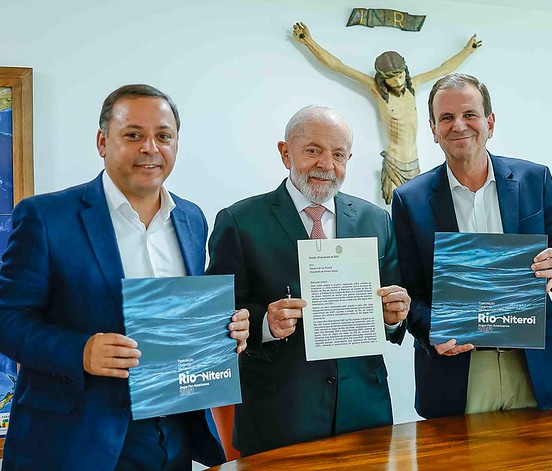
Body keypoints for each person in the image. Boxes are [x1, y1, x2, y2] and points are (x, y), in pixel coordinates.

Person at [0, 84, 250, 469]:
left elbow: (182, 318)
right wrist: (80, 351)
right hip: (77, 440)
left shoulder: (192, 218)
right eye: (133, 135)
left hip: (175, 435)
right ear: (103, 142)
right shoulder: (47, 217)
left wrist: (225, 331)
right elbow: (8, 320)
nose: (150, 147)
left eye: (163, 136)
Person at [206, 105, 410, 455]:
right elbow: (217, 316)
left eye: (338, 154)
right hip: (279, 414)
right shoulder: (240, 221)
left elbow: (392, 307)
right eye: (313, 150)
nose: (326, 165)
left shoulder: (376, 220)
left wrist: (393, 319)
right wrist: (265, 323)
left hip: (364, 412)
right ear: (285, 153)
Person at [391, 73, 552, 418]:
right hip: (458, 372)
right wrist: (434, 333)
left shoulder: (535, 180)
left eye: (470, 114)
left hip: (531, 367)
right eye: (446, 118)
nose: (459, 125)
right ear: (433, 129)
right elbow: (407, 291)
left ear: (489, 121)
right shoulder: (408, 200)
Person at [292, 22, 481, 203]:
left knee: (417, 207)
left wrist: (468, 50)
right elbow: (339, 66)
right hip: (393, 161)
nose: (398, 82)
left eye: (400, 76)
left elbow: (444, 69)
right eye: (392, 79)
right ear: (382, 80)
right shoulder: (379, 92)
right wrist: (308, 41)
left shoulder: (412, 86)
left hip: (414, 163)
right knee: (393, 209)